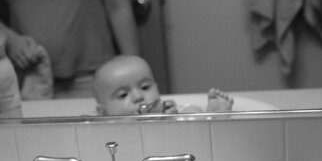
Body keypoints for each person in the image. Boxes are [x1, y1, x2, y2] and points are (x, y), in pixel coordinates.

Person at [0, 0, 140, 99]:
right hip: (30, 78)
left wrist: (134, 72)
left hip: (93, 76)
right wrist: (10, 40)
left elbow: (117, 6)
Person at [93, 55, 234, 115]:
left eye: (145, 87)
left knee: (191, 112)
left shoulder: (168, 111)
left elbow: (190, 112)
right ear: (103, 112)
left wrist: (174, 119)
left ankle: (214, 117)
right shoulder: (105, 133)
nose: (138, 97)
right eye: (123, 95)